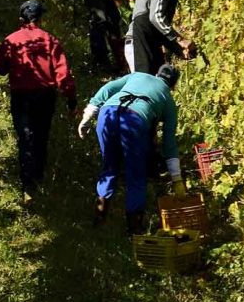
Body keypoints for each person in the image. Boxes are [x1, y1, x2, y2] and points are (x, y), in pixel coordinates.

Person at [77, 64, 183, 231]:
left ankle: (98, 220)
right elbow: (169, 141)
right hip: (135, 122)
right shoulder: (168, 100)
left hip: (108, 114)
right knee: (136, 173)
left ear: (156, 73)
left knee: (109, 166)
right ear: (173, 85)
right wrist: (176, 177)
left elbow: (107, 88)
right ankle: (134, 229)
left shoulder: (137, 76)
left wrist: (88, 115)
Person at [0, 0, 77, 197]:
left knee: (25, 136)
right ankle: (38, 179)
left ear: (22, 18)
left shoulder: (11, 40)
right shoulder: (50, 40)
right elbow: (63, 74)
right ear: (40, 18)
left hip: (21, 97)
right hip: (45, 96)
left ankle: (28, 184)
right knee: (41, 136)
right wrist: (71, 99)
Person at [128, 0, 205, 74]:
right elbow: (156, 17)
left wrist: (179, 50)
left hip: (148, 38)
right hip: (139, 37)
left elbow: (160, 30)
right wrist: (180, 39)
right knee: (142, 82)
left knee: (155, 82)